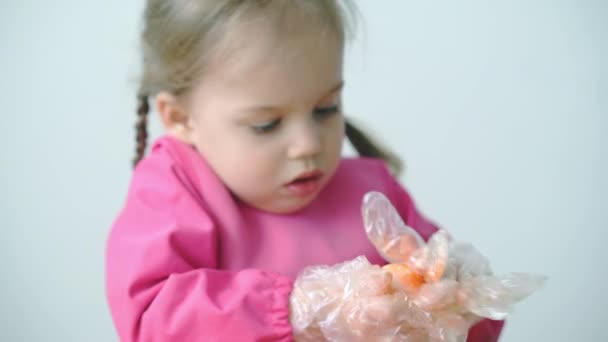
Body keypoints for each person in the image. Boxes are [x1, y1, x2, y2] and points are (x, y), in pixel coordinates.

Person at [105, 1, 504, 340]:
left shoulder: (373, 194)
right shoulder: (176, 188)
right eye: (267, 124)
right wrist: (300, 309)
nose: (309, 144)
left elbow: (466, 322)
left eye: (325, 109)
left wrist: (458, 298)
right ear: (180, 118)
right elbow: (151, 318)